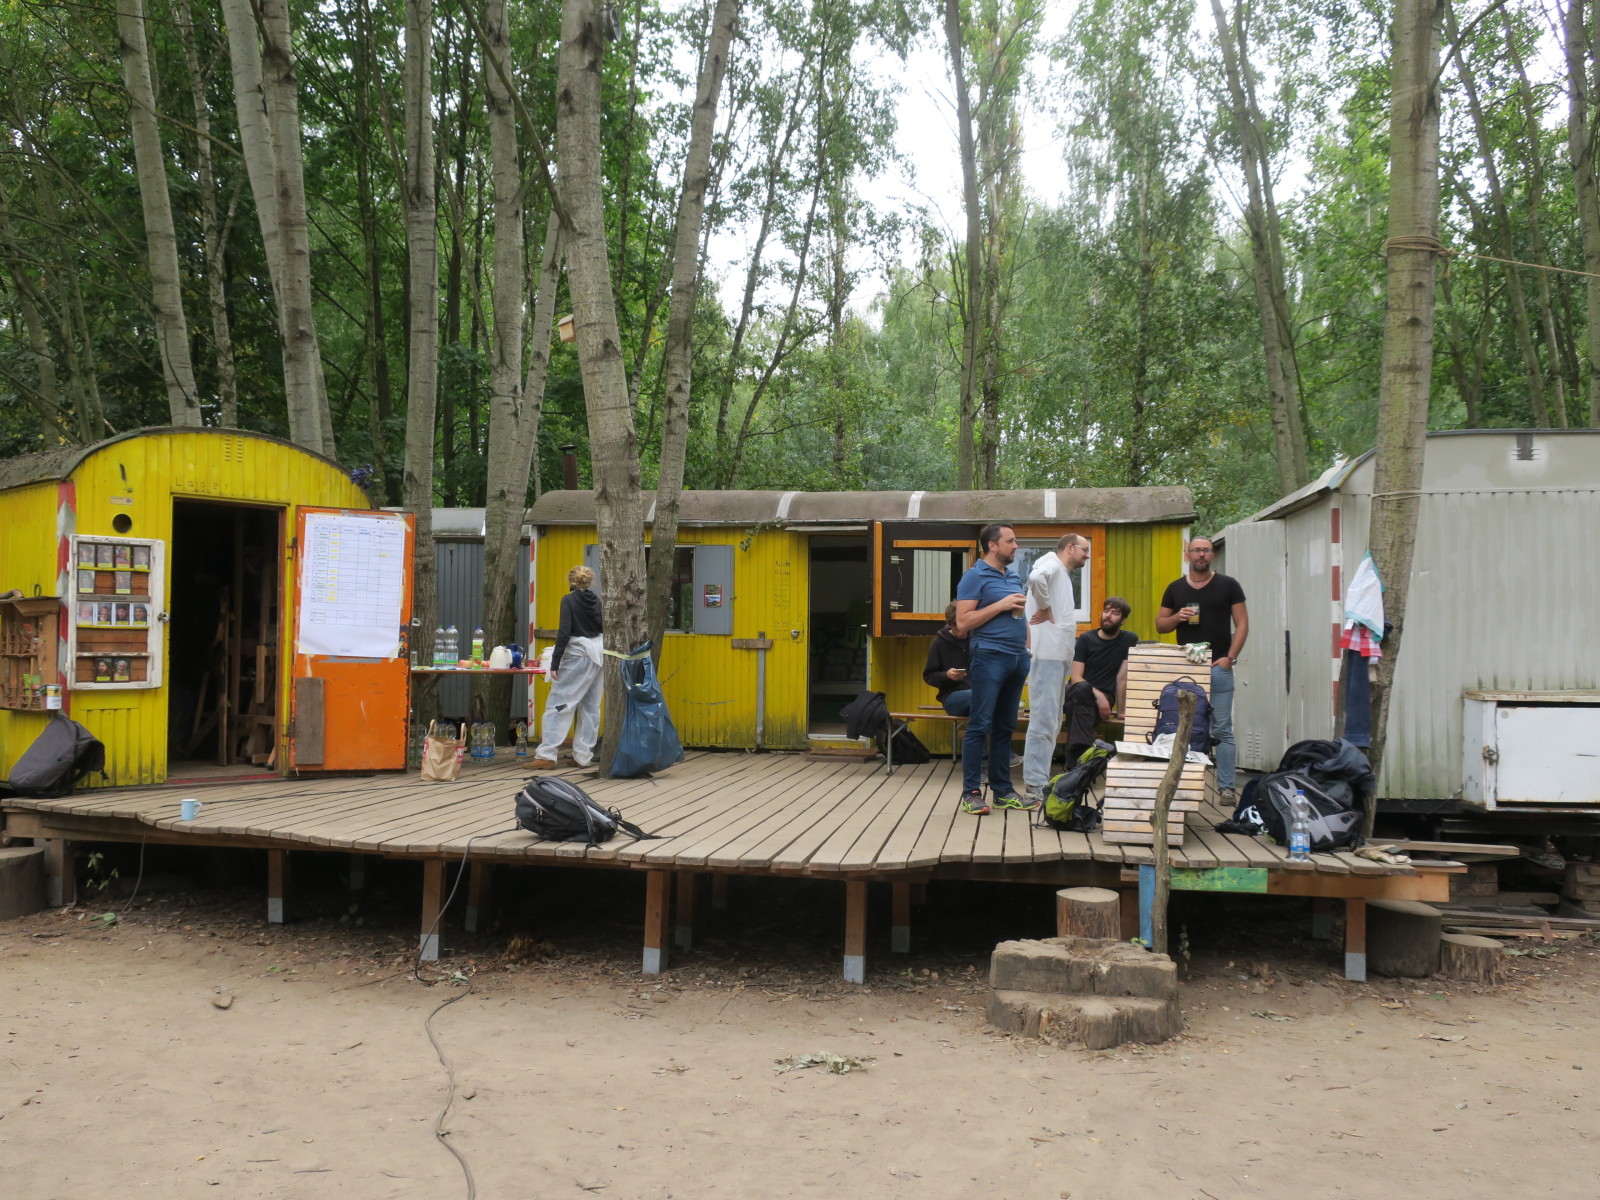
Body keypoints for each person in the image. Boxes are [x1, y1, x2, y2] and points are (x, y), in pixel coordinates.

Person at [1156, 535, 1248, 802]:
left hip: (1218, 667)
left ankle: (1227, 788)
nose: (1201, 555)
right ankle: (1182, 786)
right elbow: (1161, 625)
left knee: (1222, 729)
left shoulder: (1229, 585)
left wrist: (1230, 657)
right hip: (1186, 670)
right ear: (1188, 555)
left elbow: (1242, 624)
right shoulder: (1175, 588)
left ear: (1212, 555)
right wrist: (1177, 617)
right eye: (1196, 550)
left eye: (1206, 550)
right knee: (1185, 727)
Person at [952, 523, 1036, 815]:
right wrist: (1000, 605)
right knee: (980, 725)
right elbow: (963, 622)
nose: (1016, 546)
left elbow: (1020, 616)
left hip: (1017, 658)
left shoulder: (1012, 575)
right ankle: (971, 794)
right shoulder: (974, 576)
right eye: (1010, 541)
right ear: (992, 545)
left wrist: (1027, 650)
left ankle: (1003, 792)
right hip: (989, 656)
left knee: (1005, 727)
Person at [1021, 533, 1090, 800]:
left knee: (1051, 722)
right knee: (1044, 720)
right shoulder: (1051, 564)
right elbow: (1035, 577)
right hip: (1046, 656)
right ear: (1070, 548)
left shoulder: (1060, 572)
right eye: (1084, 550)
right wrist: (1045, 606)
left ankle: (1039, 780)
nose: (1087, 556)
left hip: (1056, 658)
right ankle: (1035, 783)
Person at [531, 565, 604, 769]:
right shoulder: (596, 601)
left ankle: (546, 755)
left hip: (577, 657)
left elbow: (564, 631)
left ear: (570, 581)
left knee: (559, 703)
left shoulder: (569, 600)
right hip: (598, 656)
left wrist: (555, 661)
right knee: (590, 707)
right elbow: (601, 627)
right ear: (590, 582)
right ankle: (583, 756)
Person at [1064, 597, 1138, 760]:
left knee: (1073, 707)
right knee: (1081, 691)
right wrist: (1098, 695)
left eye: (1115, 613)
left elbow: (1122, 677)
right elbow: (1076, 677)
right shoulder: (1086, 639)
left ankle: (1076, 762)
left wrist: (1120, 711)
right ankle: (1082, 761)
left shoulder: (1129, 640)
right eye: (1106, 611)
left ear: (1123, 620)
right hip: (1080, 690)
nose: (1108, 615)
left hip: (1095, 700)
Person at [923, 603, 971, 716]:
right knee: (983, 696)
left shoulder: (977, 639)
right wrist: (946, 675)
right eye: (956, 629)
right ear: (949, 625)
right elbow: (928, 676)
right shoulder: (939, 642)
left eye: (963, 629)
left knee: (994, 695)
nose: (960, 633)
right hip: (952, 697)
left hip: (978, 692)